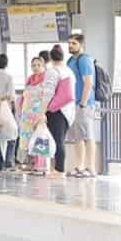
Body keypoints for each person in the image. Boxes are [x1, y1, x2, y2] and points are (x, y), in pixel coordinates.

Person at [18, 55, 54, 176]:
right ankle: (32, 163)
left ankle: (41, 166)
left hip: (39, 112)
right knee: (28, 138)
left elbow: (47, 96)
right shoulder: (30, 79)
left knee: (40, 137)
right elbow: (24, 95)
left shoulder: (46, 80)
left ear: (43, 66)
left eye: (39, 65)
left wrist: (43, 112)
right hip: (27, 114)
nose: (36, 67)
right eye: (33, 65)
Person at [66, 34, 97, 178]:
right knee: (77, 137)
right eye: (69, 43)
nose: (70, 45)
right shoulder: (71, 60)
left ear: (81, 45)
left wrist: (83, 104)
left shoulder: (85, 60)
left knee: (88, 136)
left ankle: (90, 168)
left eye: (73, 43)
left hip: (84, 105)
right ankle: (80, 166)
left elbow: (88, 83)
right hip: (73, 104)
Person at [46, 44, 76, 178]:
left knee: (57, 140)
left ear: (51, 58)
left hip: (56, 109)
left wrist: (42, 110)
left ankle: (59, 170)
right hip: (68, 110)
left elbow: (48, 93)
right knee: (59, 139)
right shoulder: (69, 71)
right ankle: (57, 168)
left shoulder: (53, 71)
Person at [0, 54, 17, 168]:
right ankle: (9, 159)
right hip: (5, 109)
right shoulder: (9, 77)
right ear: (7, 63)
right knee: (12, 134)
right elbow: (11, 96)